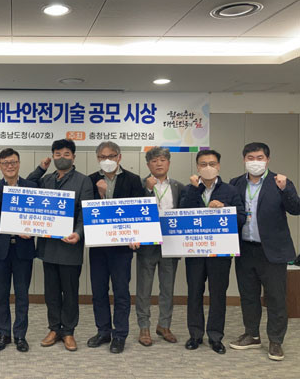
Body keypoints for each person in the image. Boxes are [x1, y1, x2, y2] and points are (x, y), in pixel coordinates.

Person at [229, 142, 300, 361]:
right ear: (244, 160)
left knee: (276, 297)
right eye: (250, 158)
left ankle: (276, 341)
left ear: (267, 160)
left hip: (272, 251)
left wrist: (286, 189)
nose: (255, 162)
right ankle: (252, 335)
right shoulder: (236, 183)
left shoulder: (280, 182)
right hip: (245, 249)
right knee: (248, 296)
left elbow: (296, 209)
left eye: (259, 158)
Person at [27, 139, 93, 352]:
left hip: (70, 246)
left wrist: (79, 233)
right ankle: (54, 328)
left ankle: (68, 331)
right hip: (48, 247)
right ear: (52, 156)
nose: (61, 158)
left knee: (70, 292)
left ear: (74, 156)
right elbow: (27, 186)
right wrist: (41, 168)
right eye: (57, 154)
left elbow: (85, 213)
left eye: (66, 154)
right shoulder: (46, 179)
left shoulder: (83, 181)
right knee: (52, 292)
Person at [180, 149, 246, 355]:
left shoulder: (230, 190)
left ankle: (216, 337)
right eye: (203, 164)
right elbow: (181, 213)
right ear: (197, 167)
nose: (208, 167)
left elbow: (241, 218)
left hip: (220, 252)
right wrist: (195, 189)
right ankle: (195, 335)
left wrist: (225, 208)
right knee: (194, 293)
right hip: (195, 251)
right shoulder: (189, 189)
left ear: (218, 166)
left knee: (218, 294)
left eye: (212, 163)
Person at [86, 141, 145, 354]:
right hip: (99, 245)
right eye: (103, 157)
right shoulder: (91, 180)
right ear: (97, 159)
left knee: (121, 291)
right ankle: (103, 331)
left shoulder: (133, 179)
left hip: (122, 247)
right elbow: (86, 211)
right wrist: (100, 194)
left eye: (111, 156)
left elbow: (138, 210)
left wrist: (136, 235)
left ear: (119, 157)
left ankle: (120, 334)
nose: (107, 160)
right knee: (98, 291)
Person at [0, 149, 37, 352]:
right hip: (1, 249)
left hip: (23, 248)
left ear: (19, 163)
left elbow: (38, 216)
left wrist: (31, 230)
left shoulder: (31, 187)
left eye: (13, 162)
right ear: (0, 166)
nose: (10, 166)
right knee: (1, 295)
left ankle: (20, 335)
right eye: (5, 163)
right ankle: (3, 334)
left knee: (22, 295)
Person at [135, 146, 185, 346]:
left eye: (162, 160)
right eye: (154, 161)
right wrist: (148, 190)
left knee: (167, 287)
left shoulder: (179, 186)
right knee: (144, 288)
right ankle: (144, 327)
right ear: (148, 165)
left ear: (169, 163)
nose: (158, 164)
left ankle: (164, 325)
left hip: (171, 244)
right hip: (147, 244)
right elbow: (136, 211)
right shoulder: (139, 185)